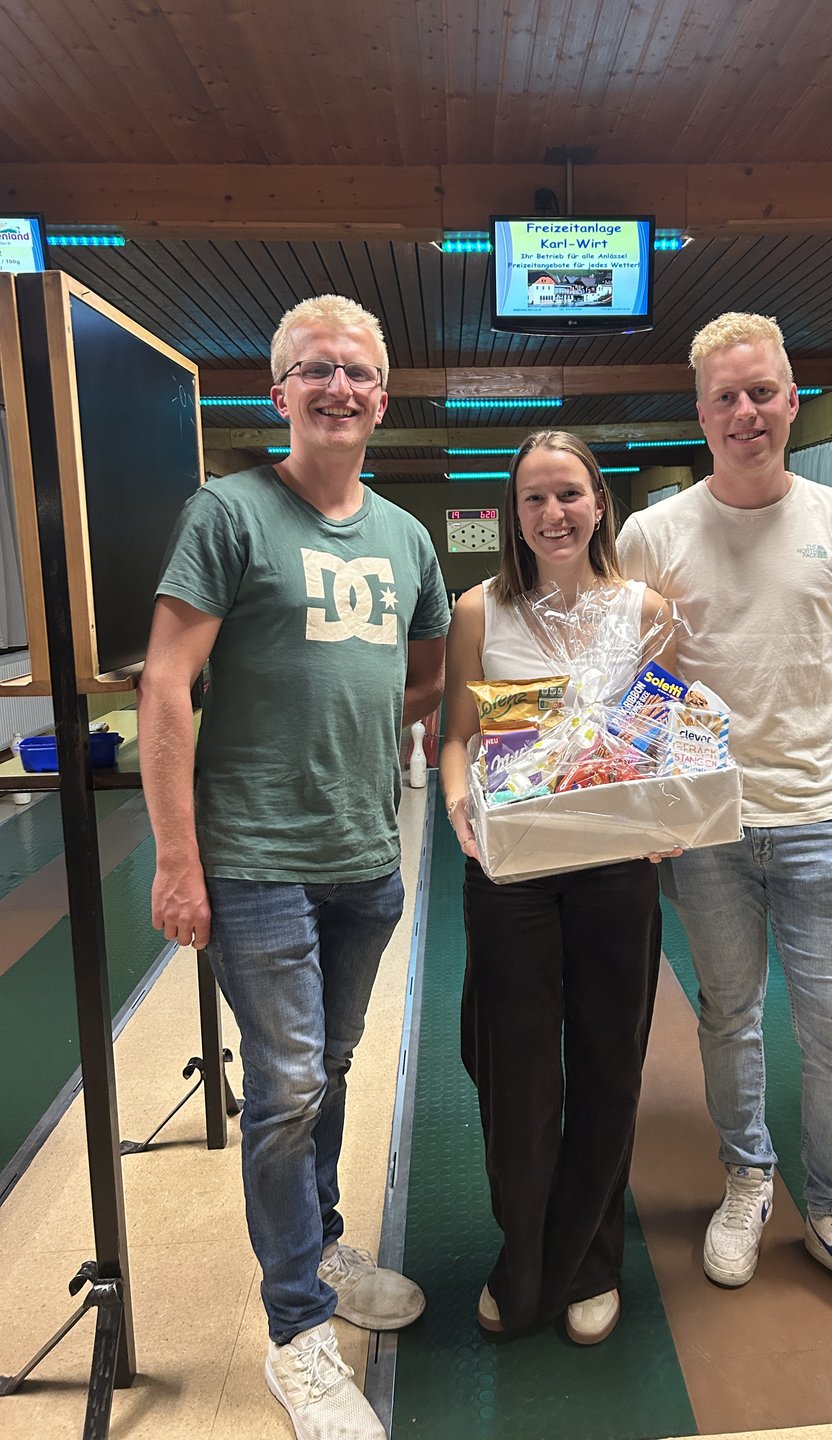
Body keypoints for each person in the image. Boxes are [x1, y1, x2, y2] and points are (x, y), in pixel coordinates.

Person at [139, 294, 450, 1440]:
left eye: (358, 372)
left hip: (365, 855)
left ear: (383, 398)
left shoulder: (406, 539)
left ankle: (319, 1243)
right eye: (315, 369)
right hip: (254, 859)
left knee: (333, 1067)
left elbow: (425, 677)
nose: (339, 387)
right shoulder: (228, 513)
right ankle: (298, 1331)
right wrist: (179, 859)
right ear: (279, 394)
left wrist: (352, 735)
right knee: (285, 1090)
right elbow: (165, 683)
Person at [617, 313, 832, 1334]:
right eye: (725, 397)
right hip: (709, 832)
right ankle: (748, 1179)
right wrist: (671, 788)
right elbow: (635, 681)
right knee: (729, 1014)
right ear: (700, 414)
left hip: (821, 819)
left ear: (792, 401)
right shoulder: (653, 534)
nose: (745, 412)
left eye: (762, 393)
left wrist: (806, 740)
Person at [440, 431, 675, 1344]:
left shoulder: (645, 610)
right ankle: (525, 1256)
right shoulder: (479, 611)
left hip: (615, 869)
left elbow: (666, 733)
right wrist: (459, 805)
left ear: (600, 502)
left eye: (569, 493)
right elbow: (458, 738)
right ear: (514, 512)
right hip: (514, 871)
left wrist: (671, 813)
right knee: (517, 1072)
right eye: (533, 498)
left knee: (610, 1064)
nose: (553, 513)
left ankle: (591, 1262)